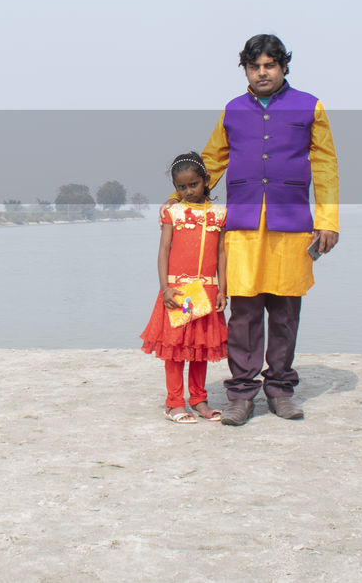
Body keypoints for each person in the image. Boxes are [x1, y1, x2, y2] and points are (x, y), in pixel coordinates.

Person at [197, 34, 340, 426]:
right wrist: (181, 201)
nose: (262, 73)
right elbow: (212, 161)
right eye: (254, 66)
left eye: (269, 65)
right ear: (245, 69)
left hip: (291, 223)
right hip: (242, 224)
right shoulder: (232, 110)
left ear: (282, 67)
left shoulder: (310, 107)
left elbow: (326, 165)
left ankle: (280, 389)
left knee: (284, 309)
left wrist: (327, 219)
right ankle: (241, 394)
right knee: (242, 312)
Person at [139, 151, 230, 423]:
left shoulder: (220, 214)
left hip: (206, 290)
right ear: (175, 188)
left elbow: (223, 254)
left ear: (206, 181)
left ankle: (199, 400)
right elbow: (164, 250)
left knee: (200, 349)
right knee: (177, 351)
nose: (188, 191)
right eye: (181, 187)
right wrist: (165, 288)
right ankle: (175, 403)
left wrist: (223, 289)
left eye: (193, 184)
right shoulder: (174, 212)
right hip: (179, 291)